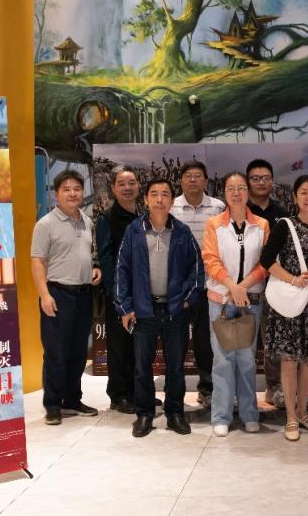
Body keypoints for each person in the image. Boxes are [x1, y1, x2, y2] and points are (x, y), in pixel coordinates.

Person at [116, 178, 202, 438]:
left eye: (165, 194)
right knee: (142, 366)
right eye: (154, 194)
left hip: (175, 309)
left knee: (175, 366)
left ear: (172, 201)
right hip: (144, 310)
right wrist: (125, 307)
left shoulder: (182, 232)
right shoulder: (134, 231)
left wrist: (186, 300)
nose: (160, 199)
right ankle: (144, 414)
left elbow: (196, 270)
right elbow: (122, 270)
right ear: (146, 199)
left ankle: (175, 412)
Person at [260, 175, 308, 441]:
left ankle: (304, 412)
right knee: (290, 360)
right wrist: (293, 279)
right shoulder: (285, 225)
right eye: (303, 192)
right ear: (294, 197)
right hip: (289, 301)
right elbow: (267, 260)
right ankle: (291, 417)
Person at [30, 170, 102, 426]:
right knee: (56, 353)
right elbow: (38, 262)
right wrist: (44, 295)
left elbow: (88, 254)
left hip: (83, 295)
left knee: (78, 353)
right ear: (56, 194)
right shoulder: (45, 224)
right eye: (66, 189)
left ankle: (72, 400)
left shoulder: (87, 221)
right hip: (57, 294)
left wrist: (95, 268)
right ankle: (53, 405)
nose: (73, 194)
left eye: (77, 189)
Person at [201, 172, 270, 436]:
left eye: (241, 188)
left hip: (251, 300)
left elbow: (265, 262)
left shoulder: (261, 225)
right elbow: (210, 259)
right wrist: (232, 287)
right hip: (221, 300)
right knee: (222, 359)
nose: (237, 193)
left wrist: (243, 287)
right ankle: (221, 415)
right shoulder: (214, 224)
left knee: (247, 359)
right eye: (231, 188)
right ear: (224, 193)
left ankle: (250, 413)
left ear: (248, 192)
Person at [170, 159, 224, 409]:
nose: (193, 180)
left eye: (197, 176)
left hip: (209, 285)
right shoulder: (171, 207)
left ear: (206, 180)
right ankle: (175, 392)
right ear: (181, 180)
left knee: (206, 342)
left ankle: (207, 388)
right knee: (176, 340)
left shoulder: (218, 207)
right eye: (188, 176)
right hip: (179, 286)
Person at [96, 165, 143, 413]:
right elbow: (107, 261)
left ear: (138, 186)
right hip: (120, 296)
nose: (127, 188)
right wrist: (119, 298)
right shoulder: (106, 219)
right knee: (119, 346)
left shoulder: (143, 217)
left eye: (131, 183)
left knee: (139, 345)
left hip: (143, 293)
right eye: (121, 184)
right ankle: (119, 395)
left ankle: (137, 392)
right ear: (113, 188)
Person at [245, 158, 288, 408]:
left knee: (273, 340)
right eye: (255, 178)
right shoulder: (239, 210)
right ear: (248, 182)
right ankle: (244, 392)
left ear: (272, 182)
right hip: (244, 287)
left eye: (265, 178)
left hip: (274, 286)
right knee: (242, 343)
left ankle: (275, 388)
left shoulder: (282, 214)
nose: (261, 182)